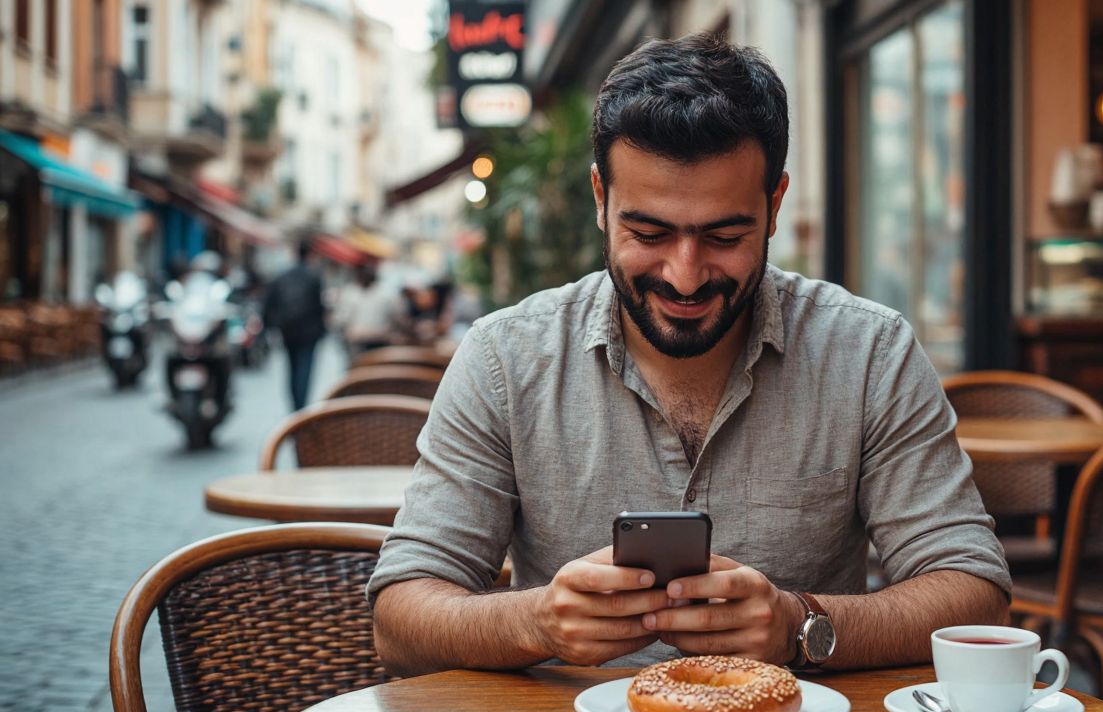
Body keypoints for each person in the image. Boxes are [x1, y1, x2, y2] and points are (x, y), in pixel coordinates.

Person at [369, 33, 1009, 676]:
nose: (684, 275)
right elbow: (399, 621)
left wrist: (802, 625)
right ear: (600, 199)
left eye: (724, 235)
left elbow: (976, 596)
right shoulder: (505, 359)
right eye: (648, 233)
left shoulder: (868, 353)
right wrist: (535, 622)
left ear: (775, 204)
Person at [261, 238, 326, 410]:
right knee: (304, 370)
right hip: (309, 332)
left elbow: (268, 304)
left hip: (288, 331)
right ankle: (300, 406)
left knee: (291, 368)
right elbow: (319, 307)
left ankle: (295, 406)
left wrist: (272, 326)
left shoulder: (282, 276)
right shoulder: (314, 277)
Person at [331, 262, 406, 357]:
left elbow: (397, 316)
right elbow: (341, 320)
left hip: (379, 340)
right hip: (358, 341)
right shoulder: (350, 293)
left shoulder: (386, 294)